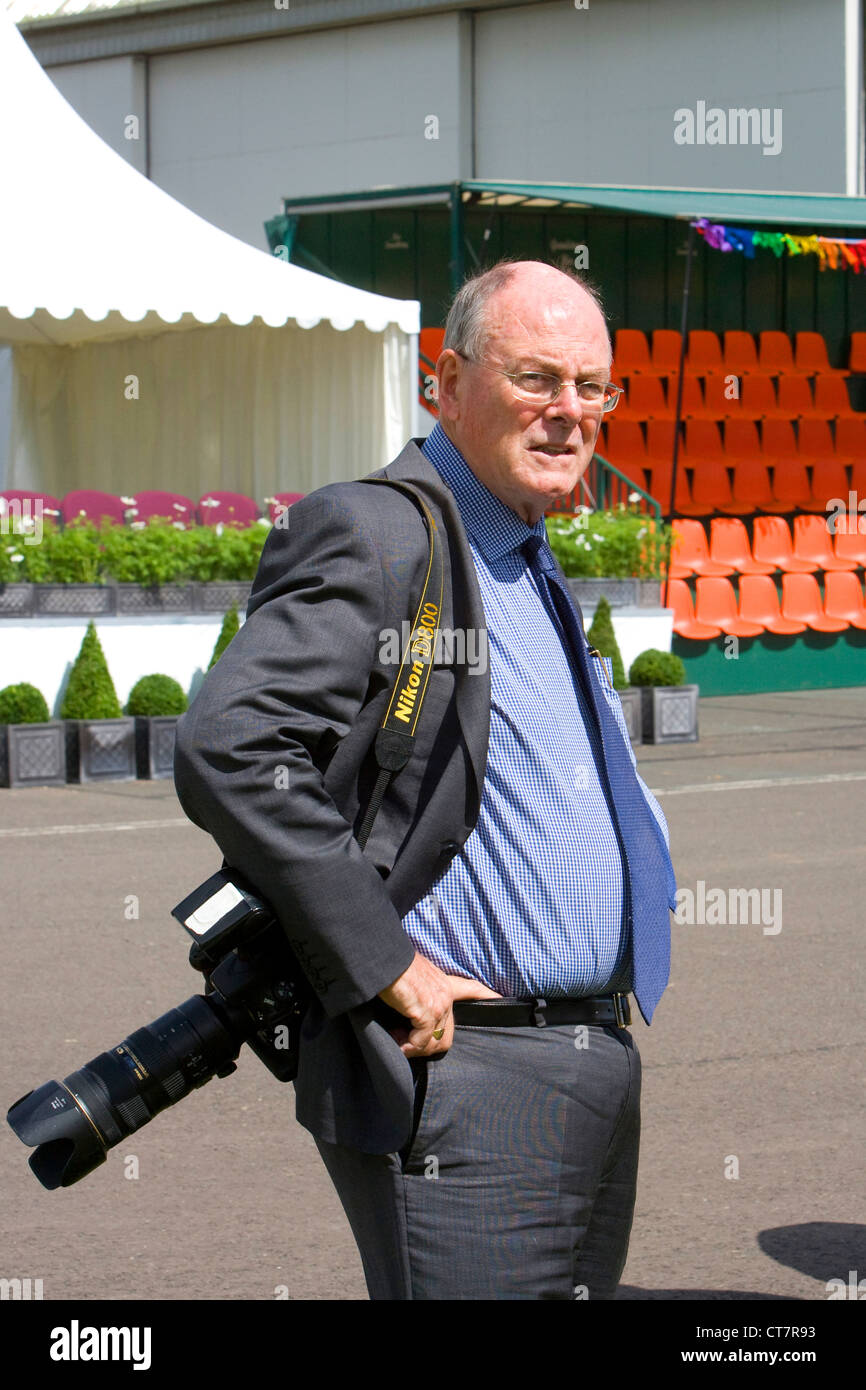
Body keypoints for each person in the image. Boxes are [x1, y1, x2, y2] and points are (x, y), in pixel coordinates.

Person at [173, 258, 677, 1301]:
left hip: (579, 1055)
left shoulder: (521, 553)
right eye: (536, 378)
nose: (568, 412)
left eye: (592, 386)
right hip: (462, 1075)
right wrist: (382, 956)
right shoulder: (380, 529)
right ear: (442, 383)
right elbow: (232, 745)